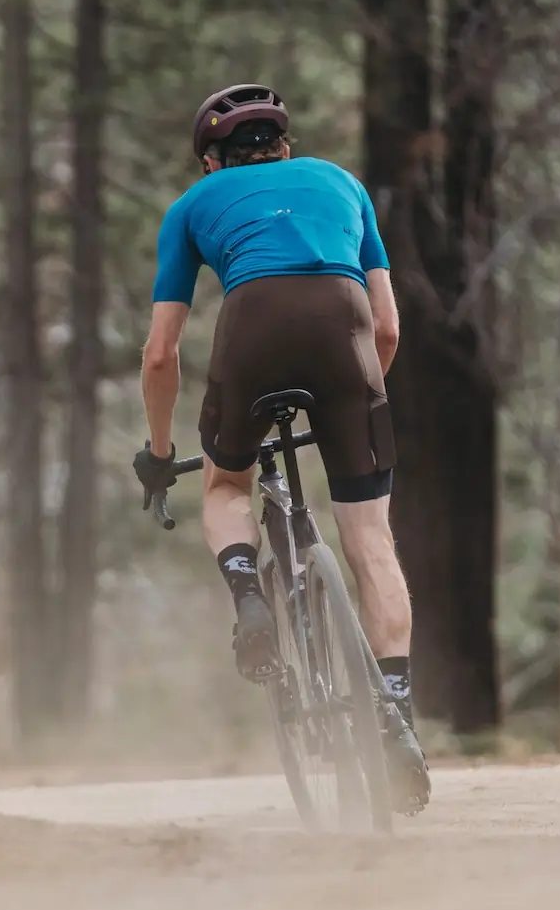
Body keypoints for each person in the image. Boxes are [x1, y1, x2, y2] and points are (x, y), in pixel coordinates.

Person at [130, 84, 430, 814]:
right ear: (285, 146)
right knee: (370, 541)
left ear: (211, 161)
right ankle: (397, 714)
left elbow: (162, 353)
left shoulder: (194, 207)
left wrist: (163, 452)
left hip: (254, 325)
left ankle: (249, 600)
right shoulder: (343, 184)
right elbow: (388, 329)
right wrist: (354, 400)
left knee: (229, 487)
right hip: (347, 328)